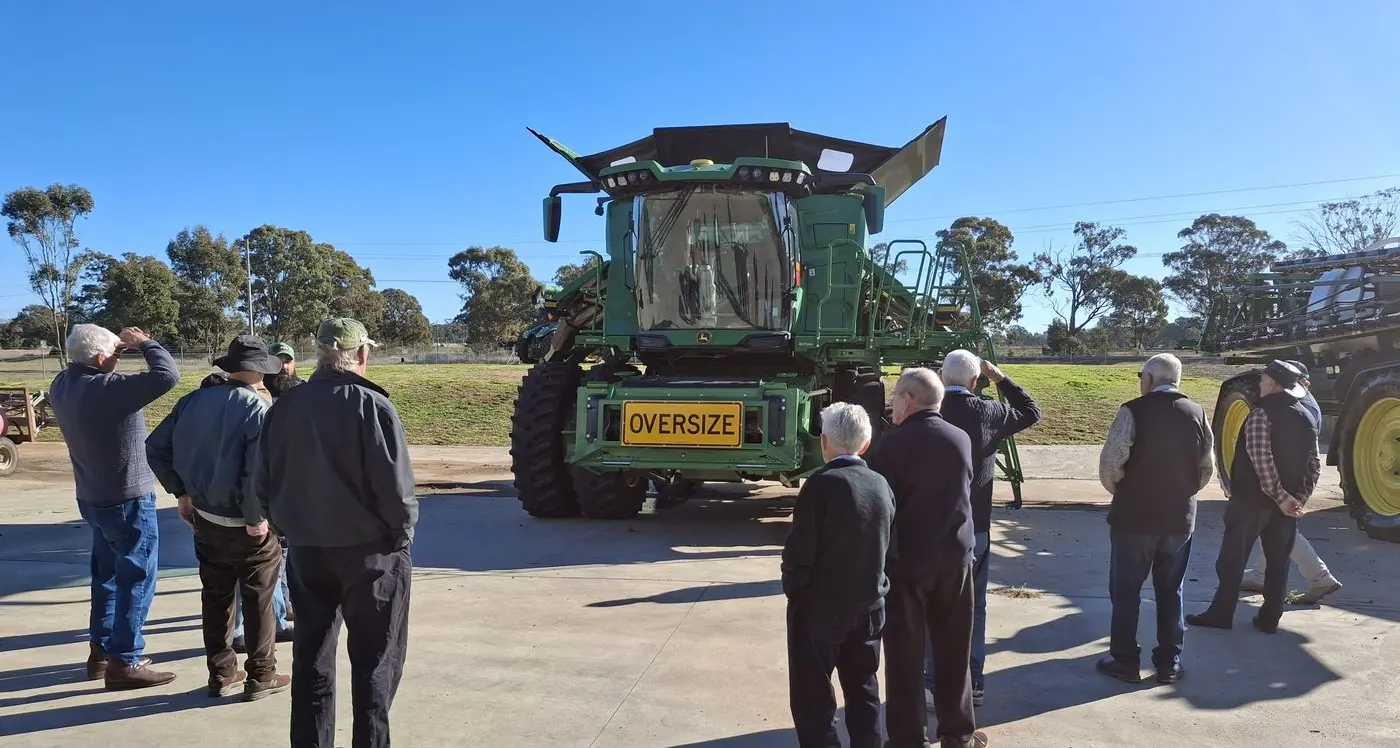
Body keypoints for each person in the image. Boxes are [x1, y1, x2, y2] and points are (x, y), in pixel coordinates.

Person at [257, 318, 418, 748]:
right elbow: (396, 490)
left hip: (309, 551)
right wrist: (401, 536)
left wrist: (283, 524)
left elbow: (263, 478)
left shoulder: (285, 406)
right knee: (376, 664)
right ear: (361, 354)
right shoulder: (372, 405)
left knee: (311, 659)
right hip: (370, 555)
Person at [146, 335, 291, 701]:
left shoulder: (192, 401)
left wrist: (181, 492)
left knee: (216, 599)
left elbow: (155, 446)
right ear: (262, 371)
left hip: (205, 518)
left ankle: (222, 673)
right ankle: (261, 675)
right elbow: (256, 469)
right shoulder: (256, 408)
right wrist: (256, 516)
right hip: (248, 523)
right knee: (258, 601)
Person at [48, 324, 181, 690]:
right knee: (137, 578)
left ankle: (101, 653)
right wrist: (146, 343)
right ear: (103, 359)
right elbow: (168, 375)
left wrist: (114, 353)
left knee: (105, 577)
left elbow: (94, 366)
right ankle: (125, 660)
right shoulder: (111, 391)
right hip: (128, 498)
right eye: (114, 356)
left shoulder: (62, 385)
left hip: (92, 496)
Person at [868, 368, 987, 748]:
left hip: (909, 565)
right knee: (954, 651)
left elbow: (880, 505)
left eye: (895, 398)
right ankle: (959, 735)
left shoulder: (892, 445)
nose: (891, 406)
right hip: (956, 561)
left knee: (905, 656)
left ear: (908, 400)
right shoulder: (961, 438)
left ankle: (906, 739)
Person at [926, 350, 1041, 707]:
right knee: (973, 607)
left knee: (932, 608)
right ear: (976, 380)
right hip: (975, 525)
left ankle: (931, 682)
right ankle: (972, 680)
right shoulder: (990, 412)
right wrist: (1001, 378)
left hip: (930, 528)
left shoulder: (927, 413)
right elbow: (1032, 412)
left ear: (943, 378)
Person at [782, 402, 895, 748]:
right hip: (869, 605)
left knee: (813, 695)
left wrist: (795, 590)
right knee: (863, 689)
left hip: (821, 608)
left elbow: (799, 549)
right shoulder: (880, 484)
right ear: (865, 444)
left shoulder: (820, 485)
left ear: (825, 441)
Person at [1095, 353, 1213, 684]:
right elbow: (1206, 468)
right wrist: (1181, 492)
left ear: (1148, 378)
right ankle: (1168, 663)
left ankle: (1125, 661)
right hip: (1179, 519)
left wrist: (1123, 491)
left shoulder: (1133, 410)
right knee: (1170, 590)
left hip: (1135, 517)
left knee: (1126, 591)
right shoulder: (1198, 412)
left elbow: (1111, 465)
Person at [1188, 360, 1321, 634]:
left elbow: (1262, 460)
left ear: (1271, 384)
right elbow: (1314, 464)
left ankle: (1221, 613)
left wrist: (1280, 496)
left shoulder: (1262, 414)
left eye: (1262, 381)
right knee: (1278, 563)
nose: (1260, 385)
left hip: (1251, 502)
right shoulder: (1307, 417)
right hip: (1287, 506)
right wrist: (1299, 499)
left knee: (1231, 560)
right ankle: (1270, 618)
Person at [1239, 360, 1341, 604]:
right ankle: (1261, 575)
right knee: (1274, 528)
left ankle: (1320, 577)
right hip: (1292, 483)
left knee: (1281, 530)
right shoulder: (1307, 404)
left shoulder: (1298, 407)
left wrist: (1285, 494)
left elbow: (1303, 454)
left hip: (1281, 483)